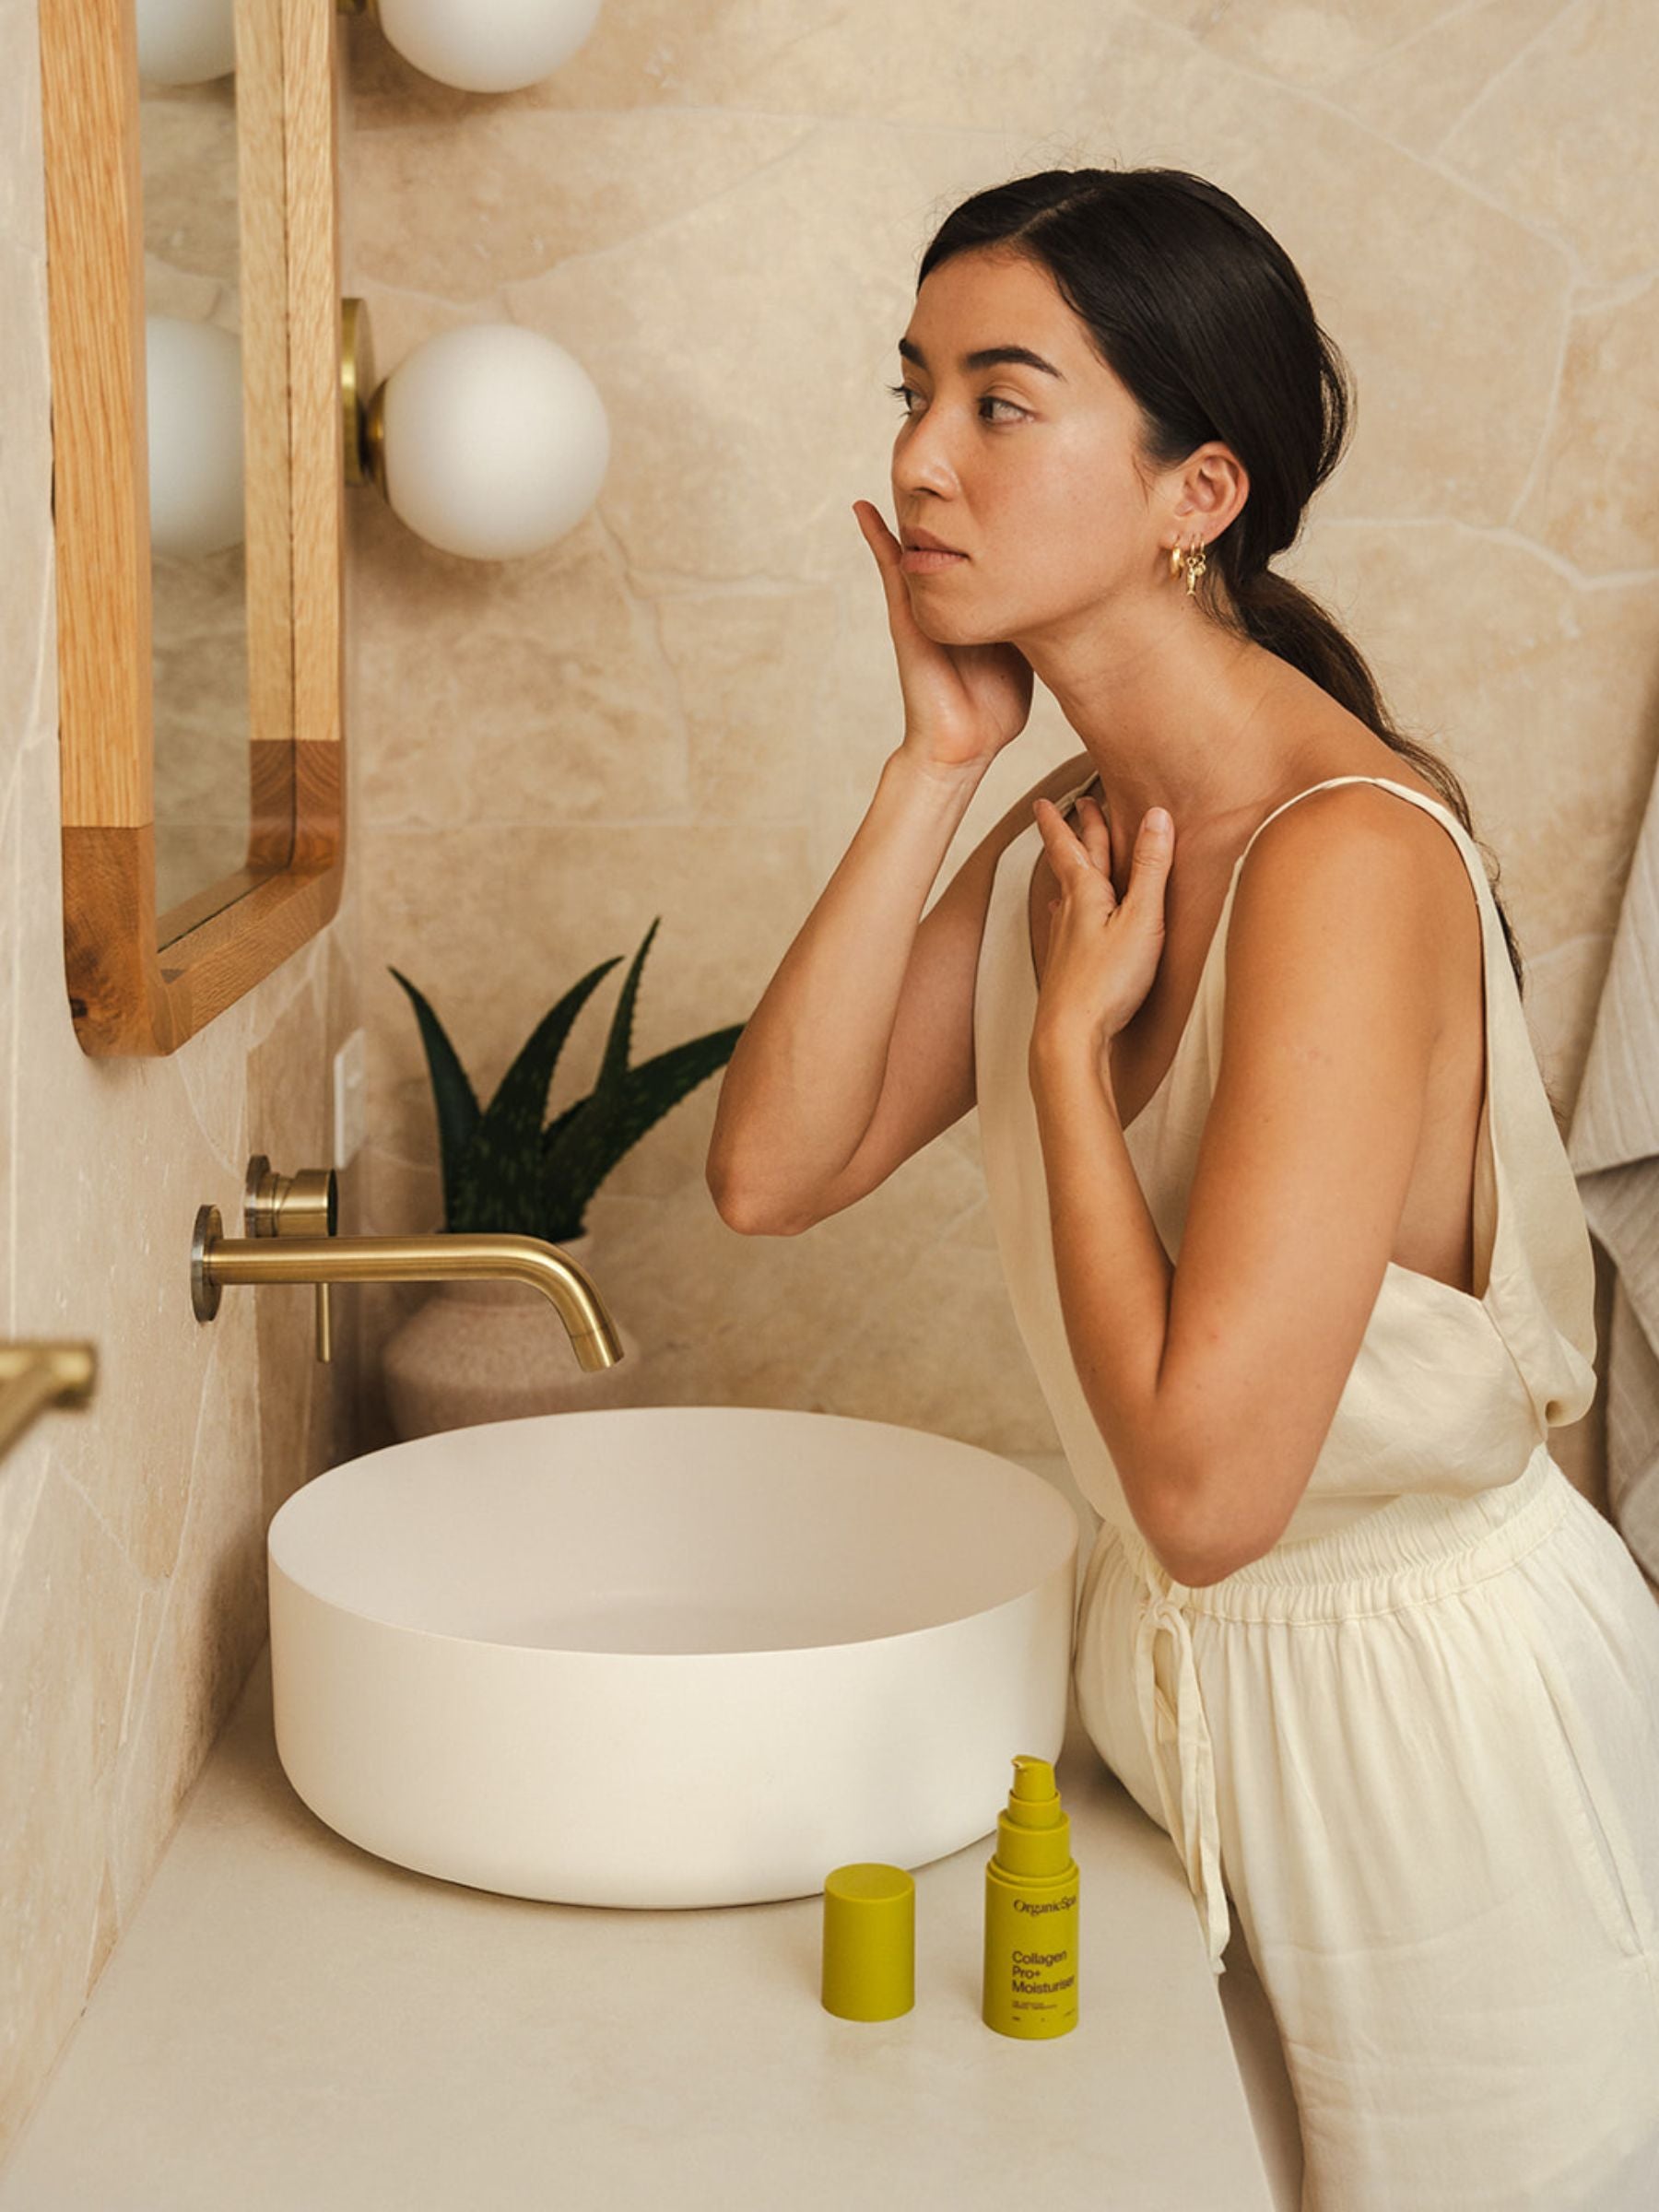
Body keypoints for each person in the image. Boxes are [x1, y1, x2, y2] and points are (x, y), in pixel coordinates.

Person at [704, 164, 1659, 2210]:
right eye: (915, 386)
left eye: (1001, 400)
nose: (917, 457)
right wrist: (930, 769)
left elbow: (1214, 1501)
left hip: (1432, 1757)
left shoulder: (1339, 859)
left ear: (1195, 493)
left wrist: (1064, 1068)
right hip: (1183, 1725)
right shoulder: (1081, 815)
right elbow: (771, 1171)